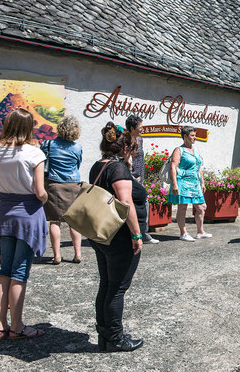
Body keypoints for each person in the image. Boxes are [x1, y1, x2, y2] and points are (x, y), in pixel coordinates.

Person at [0, 109, 48, 340]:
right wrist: (44, 200)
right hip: (27, 211)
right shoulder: (34, 153)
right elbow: (40, 191)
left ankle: (1, 326)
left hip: (5, 210)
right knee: (20, 272)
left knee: (5, 269)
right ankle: (18, 326)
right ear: (28, 127)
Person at [89, 122, 143, 352]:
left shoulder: (98, 165)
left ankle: (106, 334)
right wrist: (136, 234)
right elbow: (126, 203)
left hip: (101, 235)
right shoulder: (118, 169)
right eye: (131, 149)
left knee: (107, 284)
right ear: (124, 149)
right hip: (119, 236)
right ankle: (116, 339)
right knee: (118, 288)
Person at [41, 115, 83, 264]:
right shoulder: (77, 147)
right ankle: (77, 253)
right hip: (73, 184)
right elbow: (78, 165)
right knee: (74, 221)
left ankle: (57, 255)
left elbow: (42, 161)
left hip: (55, 185)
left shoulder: (49, 144)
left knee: (55, 221)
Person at [167, 126, 211, 242]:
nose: (194, 138)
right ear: (185, 136)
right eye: (192, 135)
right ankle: (183, 233)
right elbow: (173, 166)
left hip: (195, 183)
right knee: (182, 208)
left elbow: (199, 167)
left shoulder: (195, 150)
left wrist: (202, 182)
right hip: (183, 182)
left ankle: (200, 232)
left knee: (202, 207)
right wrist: (175, 184)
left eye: (195, 135)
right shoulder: (179, 150)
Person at [126, 115, 159, 244]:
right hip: (129, 176)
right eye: (140, 127)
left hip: (139, 177)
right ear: (131, 128)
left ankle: (143, 233)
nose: (142, 129)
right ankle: (137, 234)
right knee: (139, 203)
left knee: (143, 203)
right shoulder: (125, 140)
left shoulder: (140, 139)